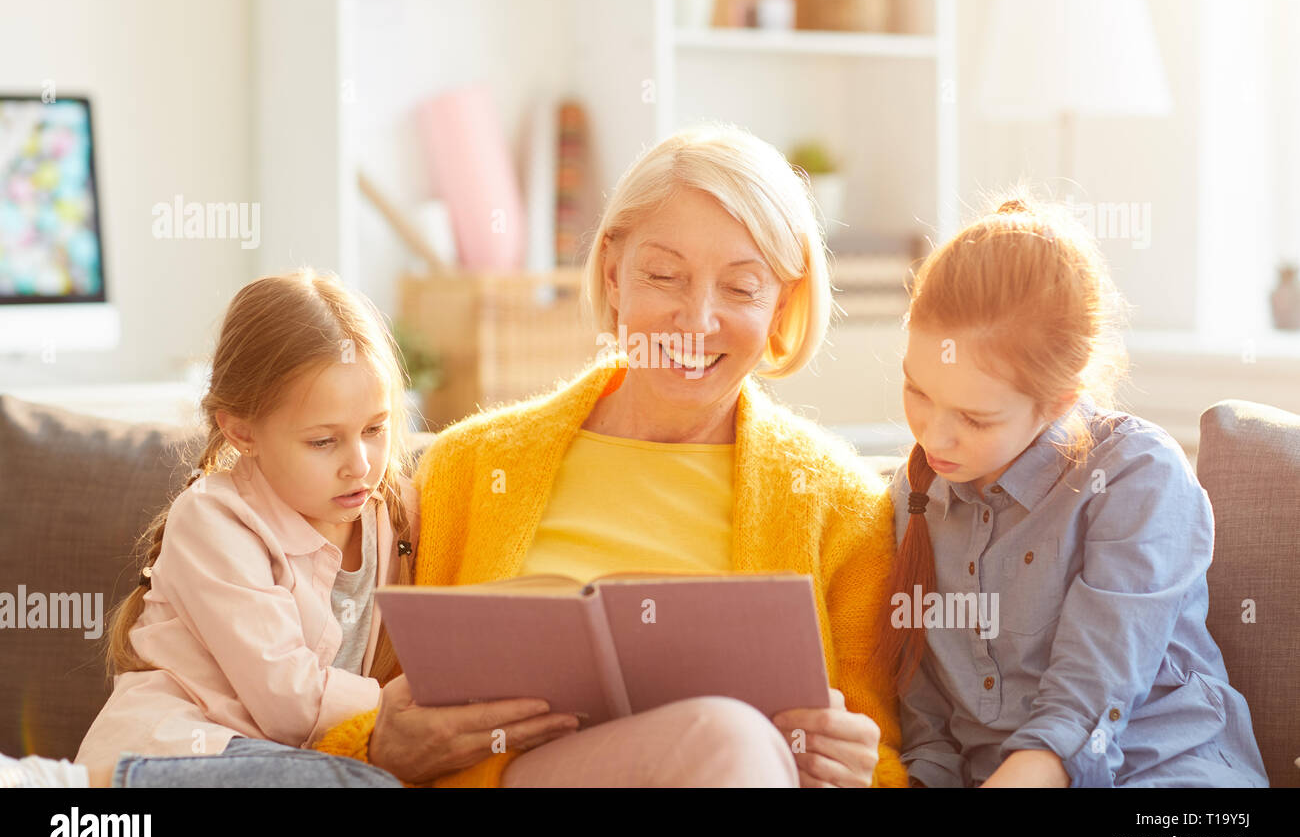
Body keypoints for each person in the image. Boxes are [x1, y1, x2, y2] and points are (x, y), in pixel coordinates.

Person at [309, 122, 907, 787]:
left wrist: (853, 769)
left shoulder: (843, 508)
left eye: (740, 288)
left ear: (783, 305)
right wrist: (382, 745)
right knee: (728, 736)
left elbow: (879, 761)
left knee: (732, 741)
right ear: (614, 272)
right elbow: (348, 715)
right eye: (664, 275)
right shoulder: (467, 470)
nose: (697, 318)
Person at [5, 268, 576, 788]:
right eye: (323, 441)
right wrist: (404, 707)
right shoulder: (213, 522)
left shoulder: (390, 512)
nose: (359, 463)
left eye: (375, 429)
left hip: (295, 763)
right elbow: (289, 702)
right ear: (242, 432)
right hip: (172, 757)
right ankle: (49, 788)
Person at [879, 196, 1269, 788]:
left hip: (1169, 774)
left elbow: (1085, 705)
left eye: (976, 417)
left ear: (1059, 400)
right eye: (917, 391)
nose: (934, 436)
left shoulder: (1138, 474)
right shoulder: (915, 497)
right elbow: (928, 733)